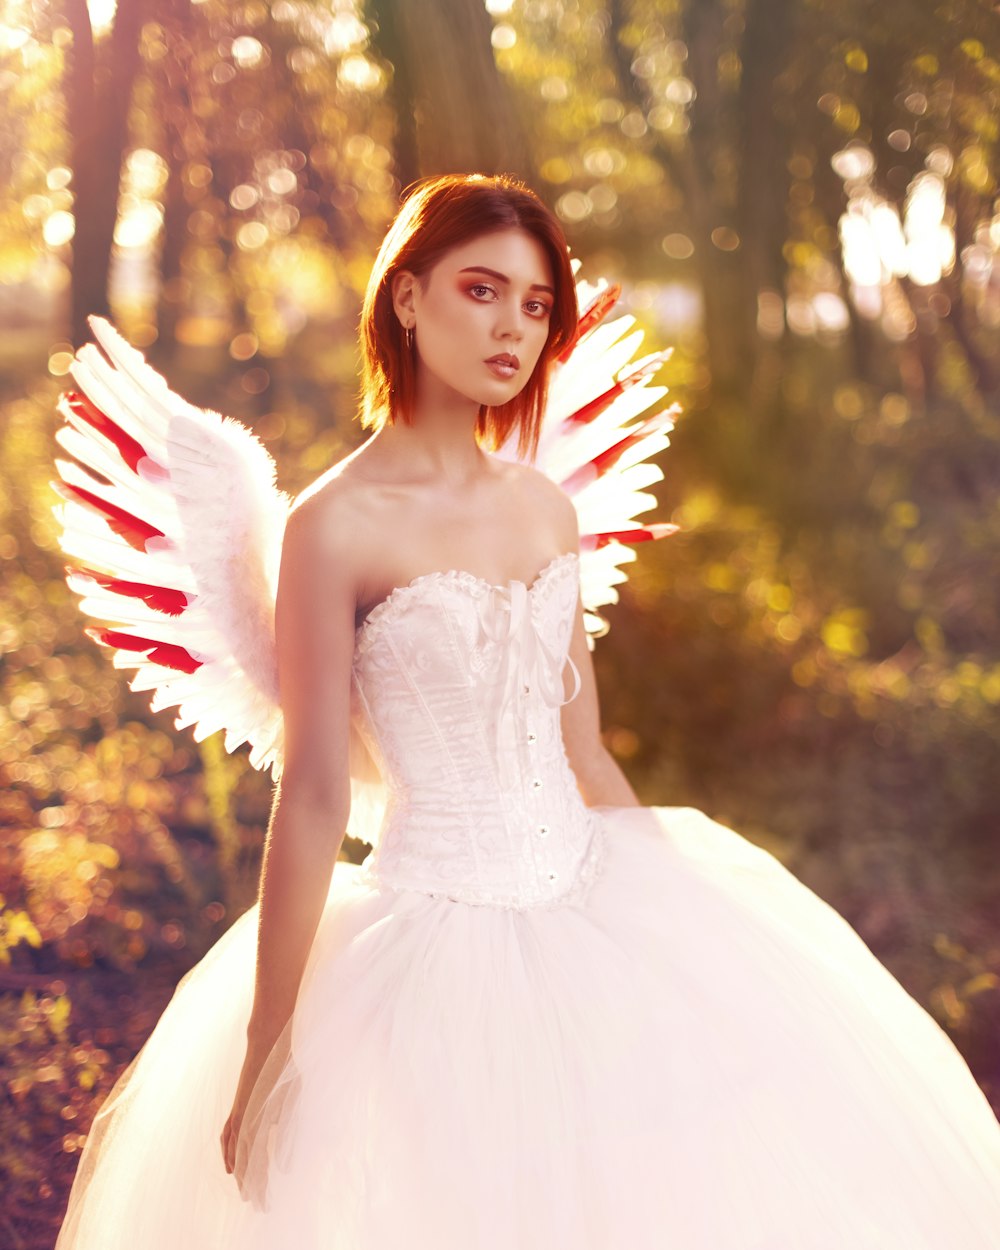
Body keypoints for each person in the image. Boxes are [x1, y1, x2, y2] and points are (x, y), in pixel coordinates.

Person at [54, 173, 1000, 1249]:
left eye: (537, 303)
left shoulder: (542, 505)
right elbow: (314, 791)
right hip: (433, 933)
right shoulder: (332, 525)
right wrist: (268, 1042)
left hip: (594, 896)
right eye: (481, 289)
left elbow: (581, 746)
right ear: (405, 299)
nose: (512, 324)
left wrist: (684, 914)